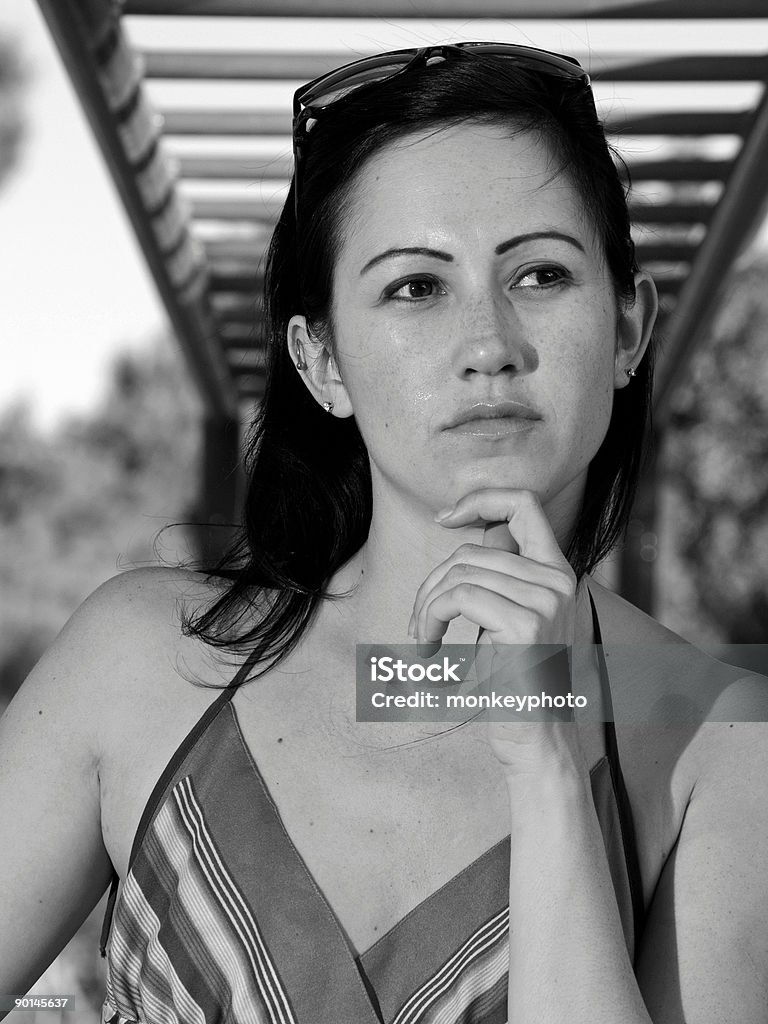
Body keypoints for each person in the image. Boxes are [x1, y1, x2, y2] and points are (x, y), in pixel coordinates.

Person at [1, 41, 767, 1024]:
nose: (489, 345)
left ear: (626, 329)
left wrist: (546, 772)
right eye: (416, 286)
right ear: (321, 361)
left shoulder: (721, 750)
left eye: (539, 274)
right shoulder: (139, 663)